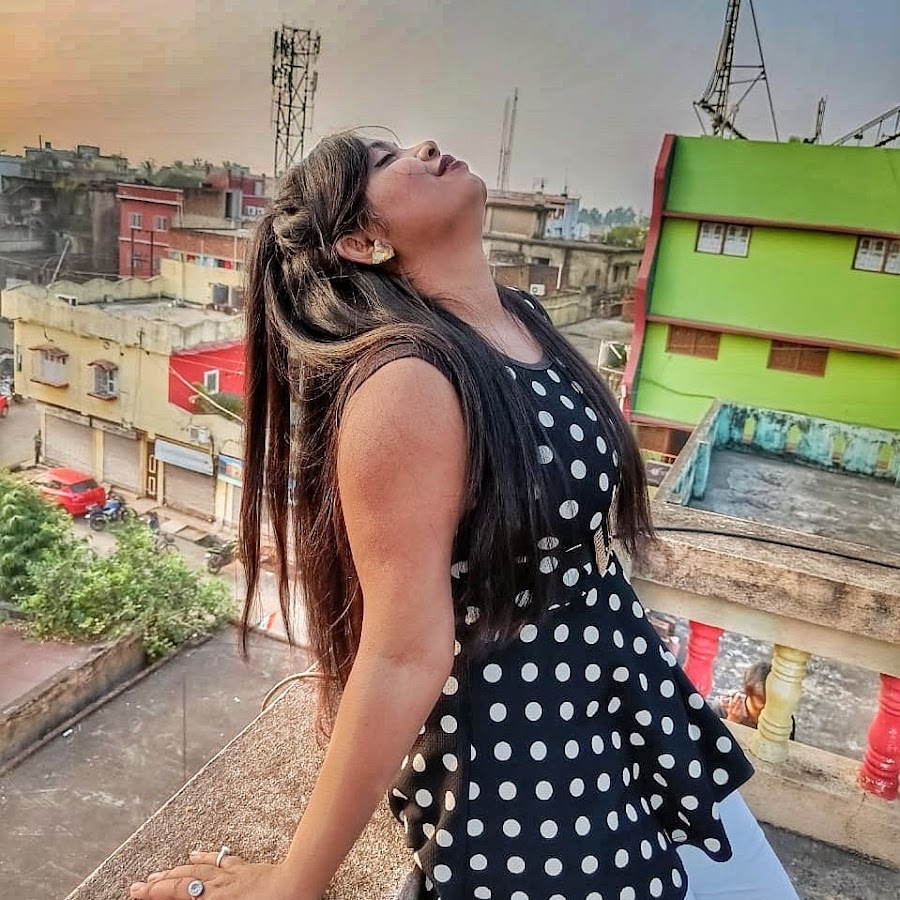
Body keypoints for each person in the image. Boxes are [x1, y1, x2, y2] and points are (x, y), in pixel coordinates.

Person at [130, 133, 798, 900]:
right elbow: (401, 654)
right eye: (385, 161)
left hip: (618, 693)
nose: (424, 146)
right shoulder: (407, 383)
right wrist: (291, 884)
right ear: (362, 242)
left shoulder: (519, 316)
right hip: (530, 757)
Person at [710, 661, 796, 740]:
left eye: (775, 702)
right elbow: (709, 744)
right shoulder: (722, 710)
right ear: (749, 694)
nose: (770, 708)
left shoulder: (784, 718)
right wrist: (732, 722)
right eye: (763, 702)